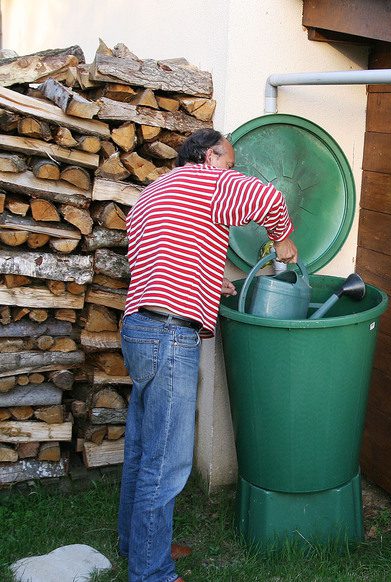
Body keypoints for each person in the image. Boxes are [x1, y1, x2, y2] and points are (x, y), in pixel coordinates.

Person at [117, 128, 298, 582]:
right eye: (229, 161)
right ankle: (152, 573)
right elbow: (269, 198)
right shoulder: (208, 181)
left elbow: (160, 255)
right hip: (169, 335)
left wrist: (209, 280)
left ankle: (140, 546)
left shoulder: (154, 191)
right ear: (208, 155)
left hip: (138, 327)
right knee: (167, 460)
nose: (232, 171)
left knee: (143, 449)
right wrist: (282, 240)